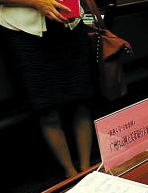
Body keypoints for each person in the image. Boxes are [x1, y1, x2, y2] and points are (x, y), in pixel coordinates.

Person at [0, 0, 96, 177]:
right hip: (24, 30)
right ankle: (70, 174)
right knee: (48, 110)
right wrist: (35, 3)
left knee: (81, 102)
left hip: (71, 23)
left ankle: (87, 168)